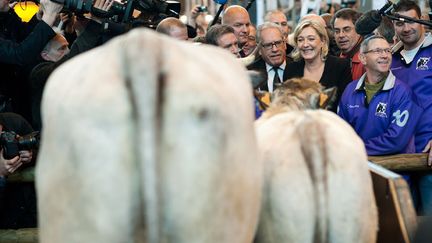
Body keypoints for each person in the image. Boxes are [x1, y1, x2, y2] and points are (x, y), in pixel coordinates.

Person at [338, 35, 421, 155]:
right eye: (377, 51)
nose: (385, 55)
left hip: (392, 169)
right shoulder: (350, 90)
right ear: (363, 58)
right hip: (356, 166)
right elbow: (341, 131)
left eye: (387, 51)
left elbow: (395, 140)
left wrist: (356, 150)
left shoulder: (403, 92)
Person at [391, 0, 432, 215]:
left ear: (422, 20)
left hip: (429, 155)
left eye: (410, 21)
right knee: (403, 226)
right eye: (399, 23)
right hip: (398, 156)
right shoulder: (389, 59)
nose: (406, 28)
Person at [285, 20, 351, 112]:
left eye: (311, 39)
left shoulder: (340, 66)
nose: (305, 44)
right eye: (300, 40)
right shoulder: (290, 69)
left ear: (323, 41)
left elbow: (345, 107)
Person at [0, 0, 63, 65]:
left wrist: (40, 15)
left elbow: (24, 33)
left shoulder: (5, 14)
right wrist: (49, 16)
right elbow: (19, 55)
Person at [247, 23, 289, 93]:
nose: (274, 49)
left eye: (278, 43)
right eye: (268, 45)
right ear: (259, 49)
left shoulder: (299, 67)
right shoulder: (251, 71)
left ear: (284, 44)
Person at [331, 8, 365, 80]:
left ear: (359, 30)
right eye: (337, 31)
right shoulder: (334, 61)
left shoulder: (368, 62)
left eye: (346, 30)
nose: (341, 35)